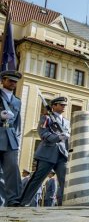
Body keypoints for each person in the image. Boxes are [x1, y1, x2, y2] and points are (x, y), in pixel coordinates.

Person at [20, 96, 70, 207]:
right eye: (61, 105)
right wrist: (58, 137)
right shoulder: (46, 118)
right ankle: (24, 202)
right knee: (37, 179)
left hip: (62, 155)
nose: (63, 107)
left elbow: (68, 139)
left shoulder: (66, 122)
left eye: (64, 105)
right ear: (53, 106)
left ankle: (65, 204)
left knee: (65, 181)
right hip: (47, 154)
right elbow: (43, 134)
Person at [0, 70, 23, 207]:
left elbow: (18, 122)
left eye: (15, 81)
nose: (13, 83)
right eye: (10, 80)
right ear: (3, 80)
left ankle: (13, 200)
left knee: (12, 169)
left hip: (10, 137)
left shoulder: (17, 101)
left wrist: (17, 137)